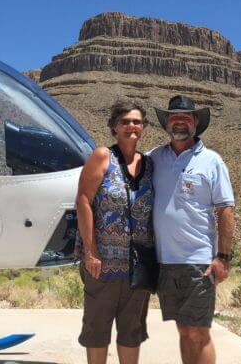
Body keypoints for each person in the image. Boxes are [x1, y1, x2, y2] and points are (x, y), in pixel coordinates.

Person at [148, 95, 236, 364]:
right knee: (183, 330)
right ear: (166, 123)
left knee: (199, 332)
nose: (180, 122)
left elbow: (225, 211)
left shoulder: (211, 161)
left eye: (186, 118)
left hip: (199, 262)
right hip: (165, 262)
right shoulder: (154, 158)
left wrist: (223, 257)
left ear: (196, 123)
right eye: (174, 117)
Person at [75, 100, 154, 364]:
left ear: (143, 127)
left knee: (131, 331)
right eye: (125, 121)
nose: (132, 126)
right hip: (103, 263)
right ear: (114, 127)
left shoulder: (150, 165)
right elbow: (83, 200)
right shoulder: (102, 157)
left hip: (138, 265)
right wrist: (91, 251)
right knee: (97, 330)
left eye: (137, 121)